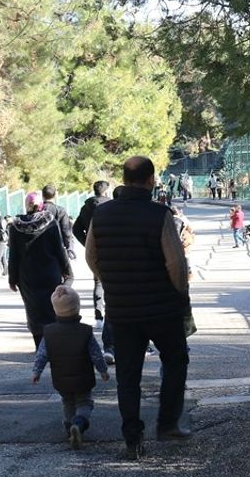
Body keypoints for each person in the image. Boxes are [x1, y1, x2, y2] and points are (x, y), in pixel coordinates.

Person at [86, 156, 192, 459]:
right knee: (175, 361)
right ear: (151, 179)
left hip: (122, 309)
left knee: (128, 375)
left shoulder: (101, 215)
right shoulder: (159, 214)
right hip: (162, 309)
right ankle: (167, 422)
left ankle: (132, 438)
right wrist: (180, 294)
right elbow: (175, 263)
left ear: (124, 177)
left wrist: (113, 280)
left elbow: (91, 257)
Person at [31, 285, 111, 449]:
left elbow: (41, 355)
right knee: (85, 403)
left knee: (67, 402)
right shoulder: (85, 331)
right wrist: (103, 370)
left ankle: (70, 430)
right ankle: (79, 424)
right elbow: (96, 354)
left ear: (55, 310)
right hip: (83, 378)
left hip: (61, 379)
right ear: (77, 307)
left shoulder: (49, 332)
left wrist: (36, 372)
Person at [10, 192, 74, 349]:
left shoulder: (15, 227)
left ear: (26, 206)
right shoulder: (51, 224)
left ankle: (40, 346)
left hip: (27, 277)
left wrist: (12, 278)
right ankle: (54, 345)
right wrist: (67, 270)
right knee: (53, 308)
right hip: (50, 274)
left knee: (33, 311)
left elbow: (13, 255)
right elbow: (59, 249)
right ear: (42, 206)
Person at [72, 180, 115, 364]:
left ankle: (98, 316)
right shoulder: (112, 206)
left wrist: (86, 243)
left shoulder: (87, 206)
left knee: (98, 283)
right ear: (106, 192)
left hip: (95, 252)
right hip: (111, 250)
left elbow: (75, 228)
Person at [40, 186, 76, 259]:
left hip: (39, 247)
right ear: (55, 195)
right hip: (57, 248)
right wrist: (70, 248)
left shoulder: (37, 210)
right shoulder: (60, 210)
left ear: (42, 195)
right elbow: (66, 231)